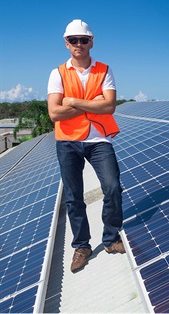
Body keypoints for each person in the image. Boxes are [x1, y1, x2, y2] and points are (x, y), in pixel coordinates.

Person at [48, 19, 125, 273]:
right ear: (66, 43)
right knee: (73, 197)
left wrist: (73, 100)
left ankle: (111, 238)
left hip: (98, 138)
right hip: (68, 141)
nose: (78, 44)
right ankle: (82, 246)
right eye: (73, 40)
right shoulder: (57, 73)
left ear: (91, 41)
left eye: (83, 39)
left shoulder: (104, 70)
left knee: (112, 186)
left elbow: (109, 106)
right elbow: (54, 114)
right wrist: (92, 101)